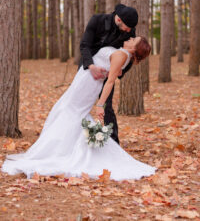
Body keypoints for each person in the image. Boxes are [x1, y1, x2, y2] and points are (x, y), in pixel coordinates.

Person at [2, 36, 156, 181]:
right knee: (67, 110)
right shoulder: (122, 55)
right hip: (84, 80)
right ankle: (62, 149)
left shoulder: (121, 56)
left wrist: (101, 105)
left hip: (88, 85)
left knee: (70, 112)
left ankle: (59, 152)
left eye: (133, 39)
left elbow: (110, 82)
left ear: (135, 48)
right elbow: (111, 69)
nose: (130, 38)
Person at [80, 4, 139, 144]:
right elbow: (84, 45)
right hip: (89, 67)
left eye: (131, 29)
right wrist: (91, 66)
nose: (129, 31)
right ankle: (79, 140)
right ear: (118, 19)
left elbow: (131, 55)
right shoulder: (97, 20)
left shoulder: (129, 29)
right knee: (81, 103)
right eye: (127, 27)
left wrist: (120, 71)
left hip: (109, 74)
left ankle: (113, 143)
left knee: (107, 106)